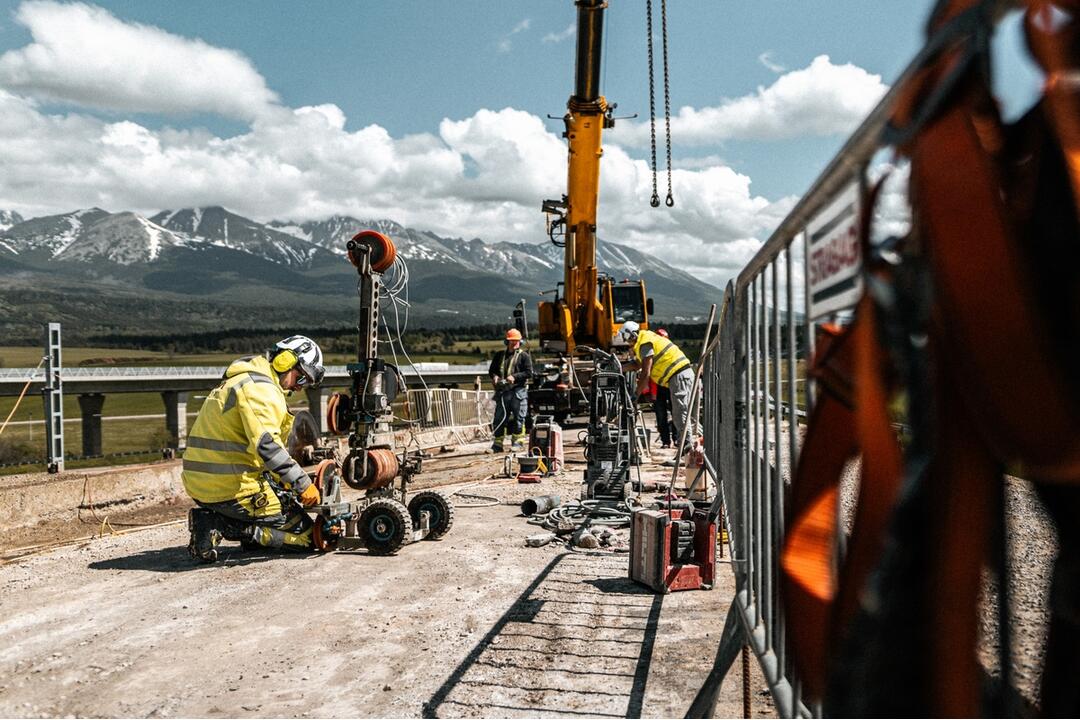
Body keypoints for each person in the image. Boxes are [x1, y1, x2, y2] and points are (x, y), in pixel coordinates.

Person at [182, 335, 326, 562]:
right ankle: (219, 525)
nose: (300, 388)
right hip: (231, 488)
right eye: (301, 379)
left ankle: (226, 525)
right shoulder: (260, 390)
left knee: (270, 524)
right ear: (285, 362)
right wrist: (302, 483)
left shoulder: (241, 381)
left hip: (204, 483)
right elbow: (267, 446)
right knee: (309, 537)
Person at [618, 321, 696, 456]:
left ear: (632, 334)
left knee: (680, 414)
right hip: (677, 376)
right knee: (680, 413)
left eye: (627, 338)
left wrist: (636, 395)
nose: (627, 342)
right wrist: (620, 367)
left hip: (679, 375)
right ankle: (686, 448)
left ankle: (687, 449)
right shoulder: (644, 341)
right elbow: (637, 364)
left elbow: (645, 373)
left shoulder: (645, 342)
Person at [488, 328, 533, 452]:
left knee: (519, 417)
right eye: (512, 341)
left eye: (516, 341)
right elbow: (492, 371)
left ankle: (517, 442)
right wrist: (495, 377)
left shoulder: (524, 356)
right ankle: (497, 445)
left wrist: (515, 377)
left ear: (520, 342)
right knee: (499, 418)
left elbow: (529, 373)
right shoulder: (499, 356)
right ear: (506, 342)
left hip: (518, 391)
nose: (514, 343)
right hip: (503, 392)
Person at [652, 328, 676, 448]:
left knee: (675, 413)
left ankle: (676, 439)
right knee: (661, 416)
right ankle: (666, 441)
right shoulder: (653, 353)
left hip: (670, 386)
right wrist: (651, 393)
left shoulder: (670, 352)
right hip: (658, 388)